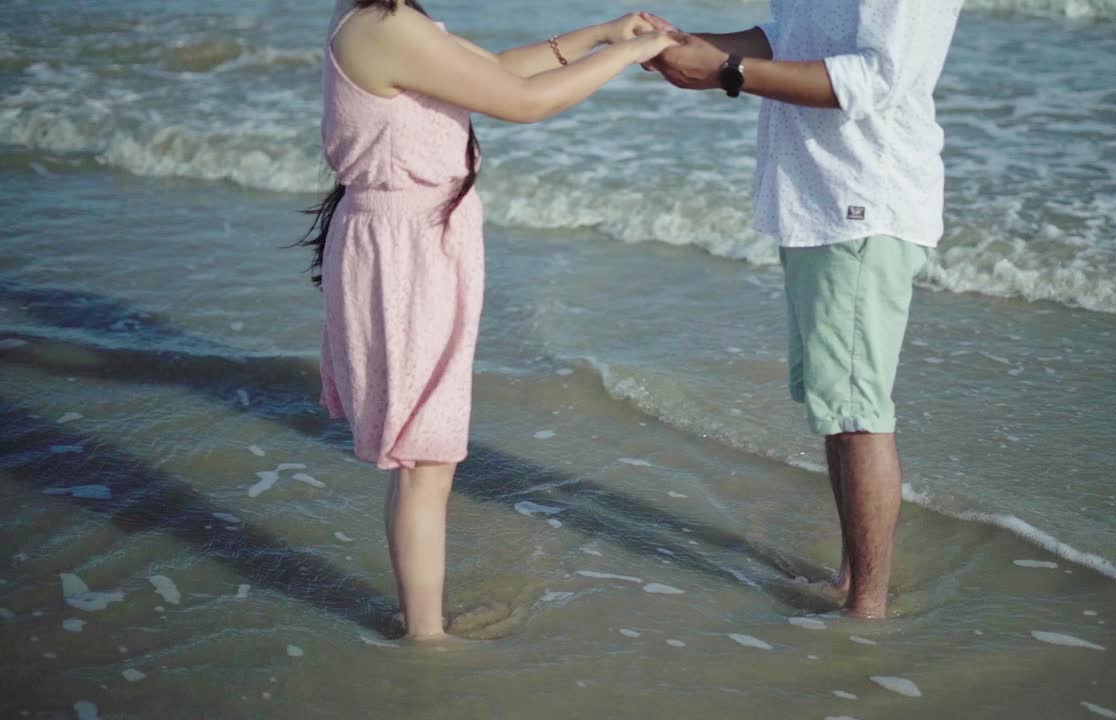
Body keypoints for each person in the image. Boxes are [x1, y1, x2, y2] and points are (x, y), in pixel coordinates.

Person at [297, 0, 678, 640]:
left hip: (413, 240)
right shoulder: (382, 23)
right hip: (405, 249)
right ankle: (426, 639)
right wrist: (631, 53)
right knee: (425, 460)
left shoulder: (386, 18)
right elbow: (523, 102)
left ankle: (421, 622)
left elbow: (495, 71)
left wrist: (599, 34)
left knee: (422, 459)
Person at [643, 1, 963, 618]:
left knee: (858, 413)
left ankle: (867, 610)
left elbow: (877, 77)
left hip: (862, 201)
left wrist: (728, 70)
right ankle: (850, 584)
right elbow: (790, 36)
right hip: (816, 199)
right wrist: (689, 45)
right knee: (837, 407)